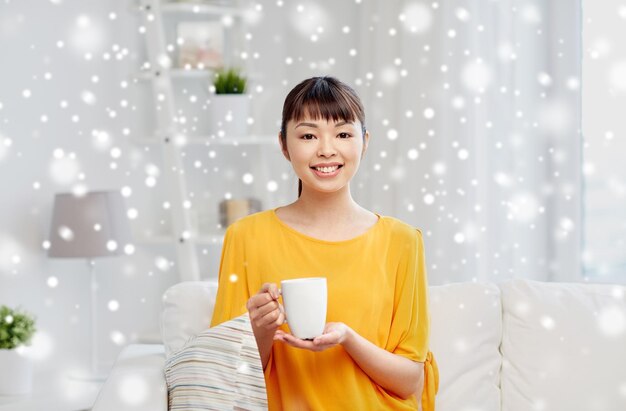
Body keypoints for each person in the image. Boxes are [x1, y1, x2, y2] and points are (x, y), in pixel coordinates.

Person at [210, 76, 438, 410]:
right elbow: (225, 381)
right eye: (308, 135)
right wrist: (260, 329)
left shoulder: (403, 241)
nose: (326, 149)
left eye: (343, 134)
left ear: (365, 141)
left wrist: (348, 339)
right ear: (284, 145)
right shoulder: (245, 237)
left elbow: (409, 382)